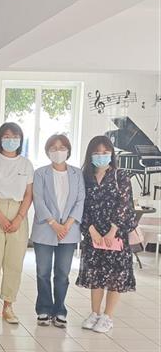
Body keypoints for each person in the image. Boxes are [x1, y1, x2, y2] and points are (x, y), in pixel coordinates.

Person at [76, 135, 136, 333]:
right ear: (90, 154)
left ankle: (108, 317)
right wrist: (90, 229)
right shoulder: (85, 177)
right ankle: (95, 313)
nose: (101, 155)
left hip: (115, 236)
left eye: (105, 152)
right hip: (93, 235)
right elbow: (81, 205)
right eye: (96, 152)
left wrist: (112, 230)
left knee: (114, 276)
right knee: (96, 275)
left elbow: (124, 205)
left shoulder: (120, 176)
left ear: (111, 153)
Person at [0, 122, 33, 324]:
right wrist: (0, 217)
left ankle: (8, 306)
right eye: (7, 136)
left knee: (14, 262)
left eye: (15, 137)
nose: (11, 140)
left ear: (20, 140)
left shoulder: (26, 164)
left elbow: (29, 194)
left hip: (18, 211)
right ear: (0, 139)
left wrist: (19, 217)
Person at [31, 134, 84, 328]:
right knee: (42, 272)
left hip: (69, 231)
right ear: (47, 152)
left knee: (62, 273)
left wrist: (67, 225)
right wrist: (54, 224)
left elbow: (80, 200)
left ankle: (60, 310)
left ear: (68, 150)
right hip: (45, 229)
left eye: (62, 148)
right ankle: (44, 309)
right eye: (53, 148)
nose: (58, 151)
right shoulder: (40, 173)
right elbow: (38, 200)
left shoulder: (77, 174)